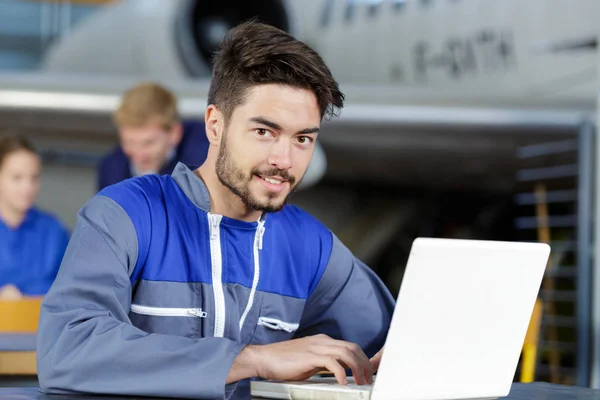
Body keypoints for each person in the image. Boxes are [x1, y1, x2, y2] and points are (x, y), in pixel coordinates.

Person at [37, 21, 394, 399]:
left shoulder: (311, 246)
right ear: (214, 125)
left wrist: (412, 352)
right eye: (264, 132)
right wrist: (254, 359)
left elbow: (395, 341)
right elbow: (66, 349)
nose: (283, 159)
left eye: (302, 138)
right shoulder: (125, 214)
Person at [97, 82, 210, 191]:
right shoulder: (111, 168)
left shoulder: (205, 157)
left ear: (175, 134)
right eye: (130, 142)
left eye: (148, 143)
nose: (138, 155)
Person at [0, 136, 69, 299]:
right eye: (17, 178)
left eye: (34, 177)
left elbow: (73, 290)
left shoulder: (54, 231)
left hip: (41, 323)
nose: (28, 188)